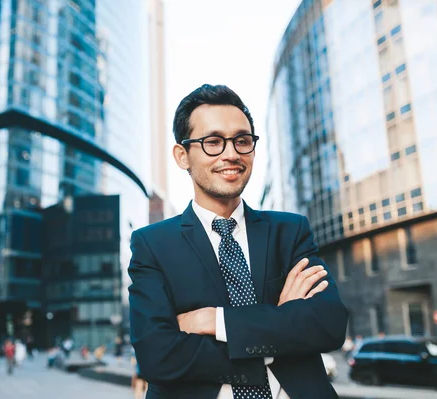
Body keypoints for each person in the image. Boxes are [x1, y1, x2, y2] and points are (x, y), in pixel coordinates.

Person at [128, 84, 348, 398]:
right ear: (182, 156)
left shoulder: (290, 231)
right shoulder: (153, 245)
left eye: (242, 141)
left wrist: (214, 321)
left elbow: (328, 324)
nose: (231, 154)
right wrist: (278, 326)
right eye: (213, 142)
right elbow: (157, 356)